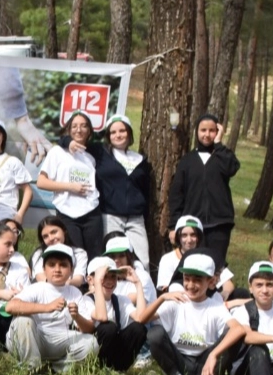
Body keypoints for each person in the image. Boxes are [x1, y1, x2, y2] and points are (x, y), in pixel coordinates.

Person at [132, 252, 234, 375]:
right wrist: (162, 298)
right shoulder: (176, 301)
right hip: (179, 359)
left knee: (232, 336)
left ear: (211, 282)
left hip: (204, 361)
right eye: (187, 278)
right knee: (155, 333)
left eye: (197, 280)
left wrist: (213, 355)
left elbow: (238, 329)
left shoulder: (215, 306)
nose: (190, 285)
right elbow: (141, 319)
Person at [5, 245, 95, 375]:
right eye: (52, 265)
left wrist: (77, 316)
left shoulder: (75, 292)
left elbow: (89, 329)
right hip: (33, 337)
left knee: (91, 343)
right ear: (44, 269)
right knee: (22, 320)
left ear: (71, 270)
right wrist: (47, 307)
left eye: (63, 265)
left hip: (58, 338)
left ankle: (55, 370)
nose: (57, 269)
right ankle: (32, 371)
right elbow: (10, 307)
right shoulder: (37, 288)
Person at [167, 113, 240, 266]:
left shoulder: (222, 157)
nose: (207, 134)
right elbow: (176, 195)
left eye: (212, 130)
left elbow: (232, 168)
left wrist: (218, 144)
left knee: (216, 266)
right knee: (192, 265)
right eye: (203, 130)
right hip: (192, 226)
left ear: (218, 132)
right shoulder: (187, 161)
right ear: (197, 132)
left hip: (219, 225)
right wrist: (174, 225)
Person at [38, 112, 106, 259]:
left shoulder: (92, 155)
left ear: (89, 131)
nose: (78, 130)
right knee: (74, 256)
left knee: (95, 258)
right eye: (74, 126)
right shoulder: (57, 152)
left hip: (92, 212)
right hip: (67, 212)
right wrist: (70, 187)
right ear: (68, 130)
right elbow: (41, 182)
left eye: (83, 126)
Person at [95, 115, 152, 267]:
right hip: (110, 216)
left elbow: (146, 191)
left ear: (129, 133)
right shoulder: (101, 154)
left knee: (142, 261)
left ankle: (140, 283)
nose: (118, 135)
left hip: (135, 218)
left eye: (122, 131)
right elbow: (76, 140)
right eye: (113, 132)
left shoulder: (140, 160)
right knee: (111, 259)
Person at [76, 257, 147, 372]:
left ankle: (118, 370)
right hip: (93, 351)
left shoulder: (121, 300)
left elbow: (141, 318)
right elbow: (102, 317)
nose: (109, 281)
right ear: (90, 279)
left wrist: (138, 283)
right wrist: (98, 283)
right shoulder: (86, 300)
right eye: (104, 277)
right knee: (108, 327)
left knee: (139, 328)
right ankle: (100, 370)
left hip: (114, 352)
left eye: (113, 277)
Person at [102, 234, 158, 306]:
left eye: (121, 255)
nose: (116, 260)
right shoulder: (106, 278)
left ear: (129, 256)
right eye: (112, 256)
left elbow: (130, 301)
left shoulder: (142, 276)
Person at [30, 216, 89, 284]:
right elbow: (40, 276)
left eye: (54, 232)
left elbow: (78, 280)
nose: (51, 238)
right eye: (45, 236)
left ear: (64, 231)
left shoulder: (79, 253)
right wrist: (56, 286)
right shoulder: (39, 253)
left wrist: (63, 286)